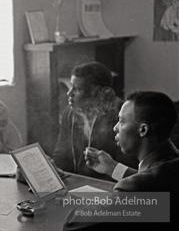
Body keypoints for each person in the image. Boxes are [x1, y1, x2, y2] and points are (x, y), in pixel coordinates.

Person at [64, 91, 179, 230]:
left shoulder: (136, 190)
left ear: (143, 130)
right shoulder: (170, 168)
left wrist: (102, 203)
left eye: (122, 121)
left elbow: (72, 224)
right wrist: (112, 168)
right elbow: (157, 186)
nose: (115, 127)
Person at [51, 62, 138, 180]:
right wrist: (51, 171)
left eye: (76, 89)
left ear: (96, 92)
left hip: (110, 189)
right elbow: (61, 155)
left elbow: (127, 167)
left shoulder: (120, 116)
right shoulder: (70, 113)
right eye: (70, 87)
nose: (69, 93)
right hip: (78, 186)